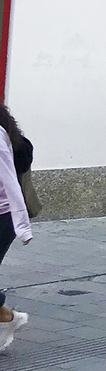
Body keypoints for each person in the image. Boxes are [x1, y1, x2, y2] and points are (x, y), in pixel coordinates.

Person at [0, 104, 32, 353]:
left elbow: (11, 183)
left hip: (3, 217)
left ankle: (9, 318)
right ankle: (8, 318)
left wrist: (22, 226)